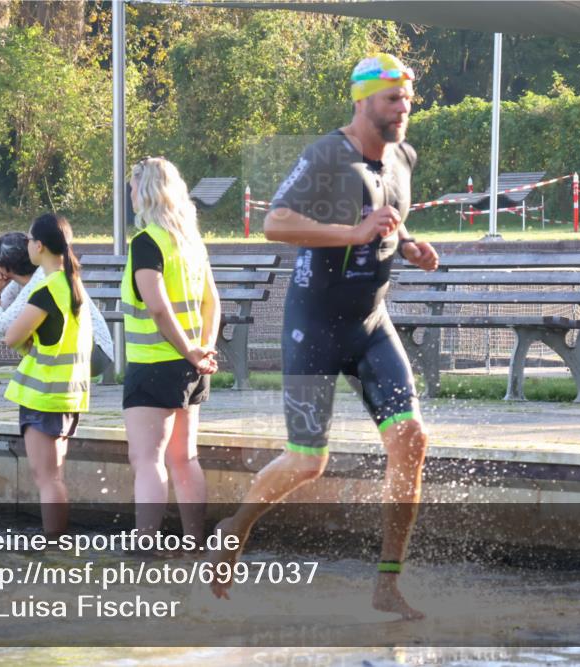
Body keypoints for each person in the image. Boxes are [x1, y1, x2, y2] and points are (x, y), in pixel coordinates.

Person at [207, 54, 439, 619]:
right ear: (362, 100)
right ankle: (235, 528)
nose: (403, 109)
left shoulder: (403, 157)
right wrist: (353, 233)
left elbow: (388, 214)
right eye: (392, 99)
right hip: (314, 325)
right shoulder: (326, 154)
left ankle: (387, 584)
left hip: (371, 324)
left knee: (411, 440)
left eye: (408, 100)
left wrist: (409, 245)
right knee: (308, 460)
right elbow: (275, 222)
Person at [121, 157, 220, 544]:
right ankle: (194, 542)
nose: (130, 194)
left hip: (154, 365)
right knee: (185, 457)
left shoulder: (147, 243)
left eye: (133, 188)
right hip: (192, 368)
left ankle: (146, 546)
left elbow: (158, 307)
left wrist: (190, 351)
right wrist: (203, 349)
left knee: (147, 460)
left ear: (145, 192)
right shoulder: (190, 241)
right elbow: (212, 302)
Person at [3, 214, 93, 536]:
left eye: (29, 240)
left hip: (44, 397)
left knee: (48, 480)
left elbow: (11, 336)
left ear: (39, 246)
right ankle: (59, 542)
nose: (27, 245)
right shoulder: (72, 285)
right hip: (67, 394)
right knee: (54, 477)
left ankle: (54, 546)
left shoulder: (47, 290)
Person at [0, 231, 114, 370]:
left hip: (94, 351)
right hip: (75, 349)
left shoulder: (41, 279)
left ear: (6, 264)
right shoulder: (19, 283)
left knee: (22, 330)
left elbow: (0, 327)